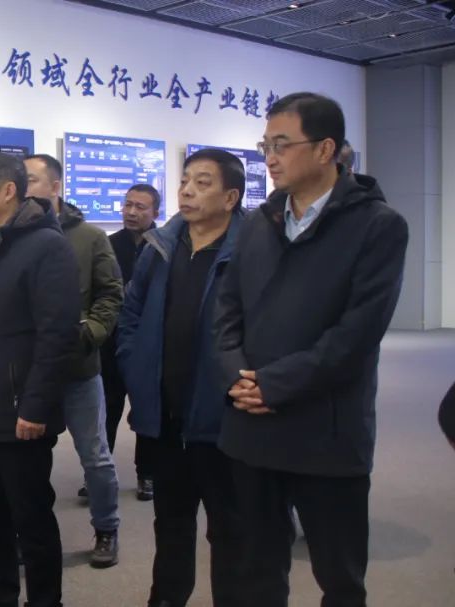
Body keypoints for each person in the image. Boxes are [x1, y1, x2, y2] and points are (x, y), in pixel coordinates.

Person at [214, 92, 409, 607]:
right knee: (256, 570)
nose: (269, 158)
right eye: (265, 145)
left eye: (282, 145)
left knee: (339, 578)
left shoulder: (378, 226)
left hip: (327, 432)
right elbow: (226, 313)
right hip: (252, 430)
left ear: (325, 150)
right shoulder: (258, 223)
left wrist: (274, 385)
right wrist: (237, 378)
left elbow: (356, 335)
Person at [117, 149, 247, 607]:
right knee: (170, 525)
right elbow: (131, 312)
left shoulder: (252, 250)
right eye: (185, 181)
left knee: (231, 532)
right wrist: (135, 366)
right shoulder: (161, 247)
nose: (187, 191)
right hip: (166, 418)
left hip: (224, 421)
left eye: (202, 182)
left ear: (230, 197)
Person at [0, 153, 78, 607]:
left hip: (20, 411)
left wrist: (36, 406)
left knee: (31, 518)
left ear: (8, 191)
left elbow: (57, 335)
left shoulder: (47, 247)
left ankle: (45, 601)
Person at [24, 154, 124, 568]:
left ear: (55, 186)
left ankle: (107, 528)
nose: (23, 187)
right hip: (29, 371)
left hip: (78, 368)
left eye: (31, 179)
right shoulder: (13, 237)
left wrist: (89, 334)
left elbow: (111, 294)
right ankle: (31, 536)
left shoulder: (90, 237)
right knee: (28, 461)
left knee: (95, 457)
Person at [101, 184, 160, 501]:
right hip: (110, 342)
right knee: (106, 411)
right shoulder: (108, 245)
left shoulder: (163, 247)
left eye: (140, 207)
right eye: (128, 205)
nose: (132, 212)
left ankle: (146, 474)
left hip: (146, 342)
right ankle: (100, 475)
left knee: (146, 411)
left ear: (155, 213)